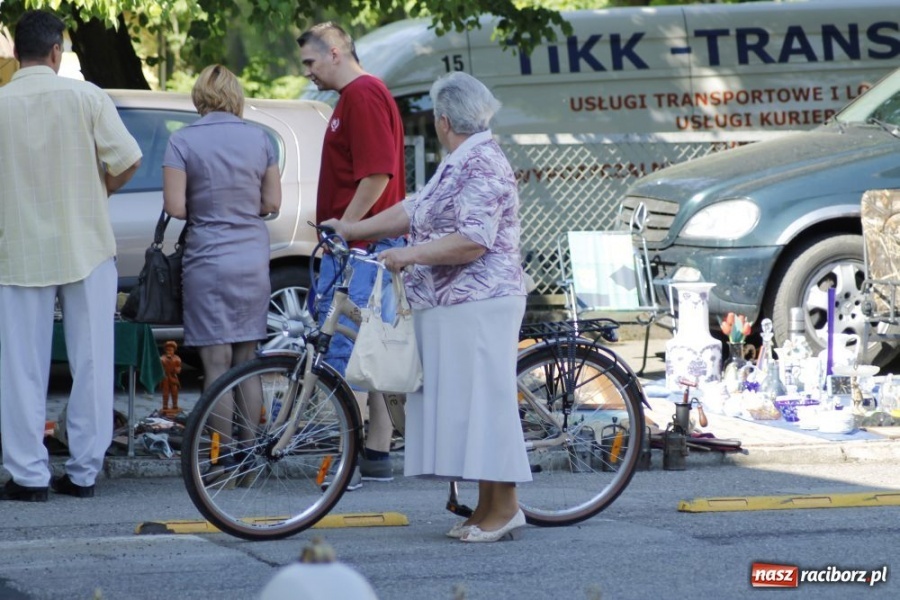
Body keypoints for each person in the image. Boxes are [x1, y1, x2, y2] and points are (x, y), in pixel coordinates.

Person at [323, 72, 532, 542]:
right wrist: (353, 229)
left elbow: (474, 240)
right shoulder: (462, 160)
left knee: (485, 405)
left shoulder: (480, 163)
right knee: (466, 407)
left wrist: (406, 254)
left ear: (443, 119)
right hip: (455, 303)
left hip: (480, 301)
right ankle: (486, 507)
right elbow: (415, 209)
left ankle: (508, 509)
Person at [0, 10, 142, 502]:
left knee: (22, 365)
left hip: (17, 247)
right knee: (92, 359)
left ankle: (28, 475)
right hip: (86, 243)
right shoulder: (87, 96)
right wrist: (95, 191)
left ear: (17, 53)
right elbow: (128, 161)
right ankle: (84, 471)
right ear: (57, 52)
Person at [297, 22, 406, 490]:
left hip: (361, 249)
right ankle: (376, 452)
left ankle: (348, 460)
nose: (308, 74)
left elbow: (377, 174)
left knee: (346, 350)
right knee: (368, 354)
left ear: (336, 51)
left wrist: (347, 227)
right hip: (366, 246)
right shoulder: (359, 95)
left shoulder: (361, 95)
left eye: (311, 62)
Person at [163, 64, 280, 484]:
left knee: (216, 365)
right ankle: (252, 462)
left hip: (209, 259)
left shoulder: (182, 140)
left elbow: (176, 208)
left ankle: (219, 462)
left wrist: (209, 209)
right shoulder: (260, 139)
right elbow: (271, 203)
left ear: (199, 96)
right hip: (252, 256)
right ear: (235, 95)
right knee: (247, 362)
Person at [160, 341, 182, 414]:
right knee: (165, 392)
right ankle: (165, 405)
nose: (169, 351)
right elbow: (160, 368)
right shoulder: (162, 359)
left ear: (174, 351)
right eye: (167, 350)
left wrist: (177, 370)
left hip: (173, 377)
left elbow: (178, 368)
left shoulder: (177, 359)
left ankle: (175, 405)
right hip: (165, 378)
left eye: (171, 350)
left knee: (174, 391)